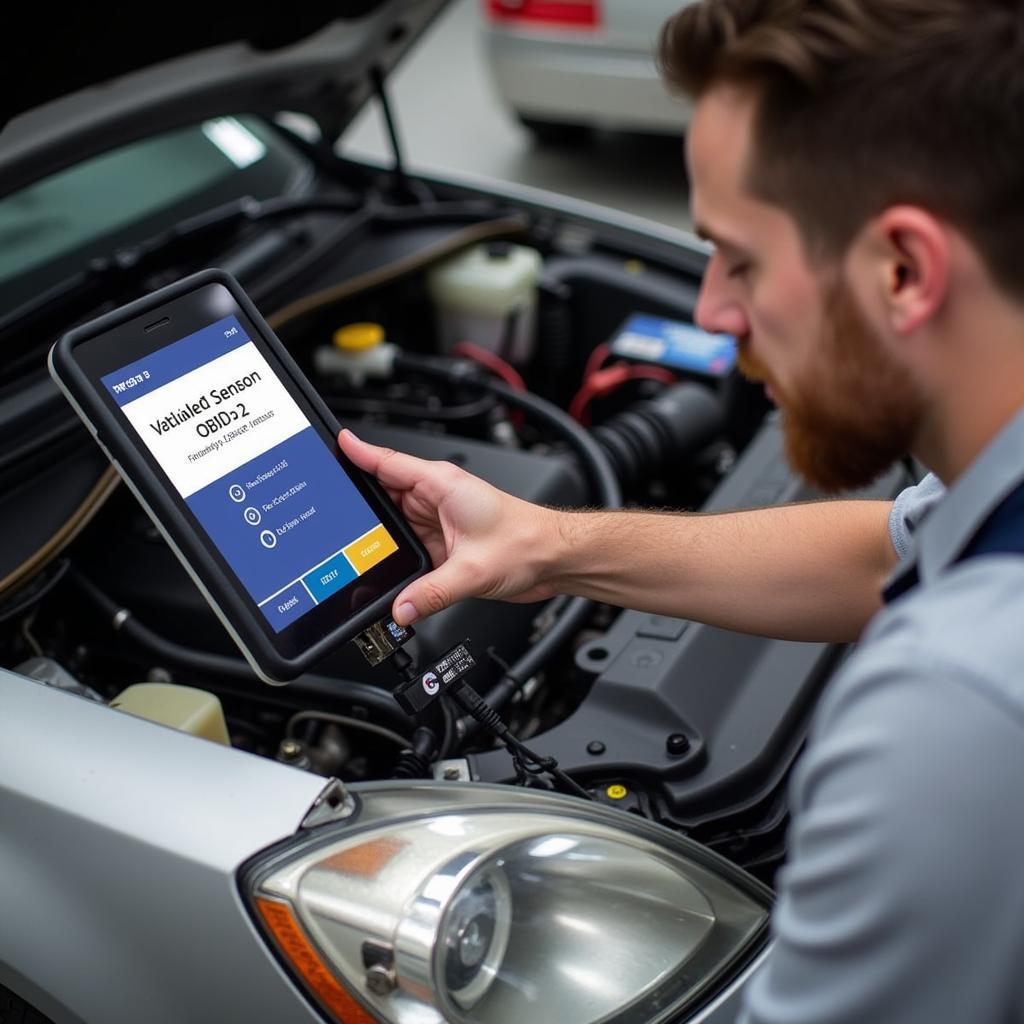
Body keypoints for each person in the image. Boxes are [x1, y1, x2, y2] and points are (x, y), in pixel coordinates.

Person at [340, 1, 1024, 1020]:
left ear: (903, 270)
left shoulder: (954, 708)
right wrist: (550, 542)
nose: (710, 313)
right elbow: (882, 556)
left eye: (738, 257)